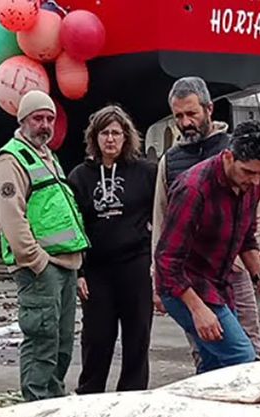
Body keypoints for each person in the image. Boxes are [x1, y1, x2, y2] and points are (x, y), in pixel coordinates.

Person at [152, 76, 260, 369]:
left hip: (229, 272)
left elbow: (249, 233)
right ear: (229, 159)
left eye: (191, 113)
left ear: (209, 110)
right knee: (240, 356)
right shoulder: (189, 183)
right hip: (187, 281)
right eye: (179, 116)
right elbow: (165, 252)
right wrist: (196, 308)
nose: (186, 122)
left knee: (220, 356)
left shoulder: (250, 172)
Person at [0, 90, 89, 402]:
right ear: (23, 120)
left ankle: (53, 397)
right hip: (40, 267)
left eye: (50, 118)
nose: (45, 125)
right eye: (38, 118)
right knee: (42, 338)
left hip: (64, 264)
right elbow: (11, 214)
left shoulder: (48, 157)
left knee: (61, 342)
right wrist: (35, 260)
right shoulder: (11, 160)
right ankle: (36, 402)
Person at [67, 105, 156, 393]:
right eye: (104, 133)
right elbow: (73, 226)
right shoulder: (80, 176)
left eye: (116, 133)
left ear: (126, 137)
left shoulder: (146, 173)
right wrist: (78, 271)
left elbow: (163, 216)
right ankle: (90, 393)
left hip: (136, 266)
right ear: (95, 138)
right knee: (97, 337)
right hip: (97, 270)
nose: (110, 139)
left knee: (137, 335)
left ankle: (133, 393)